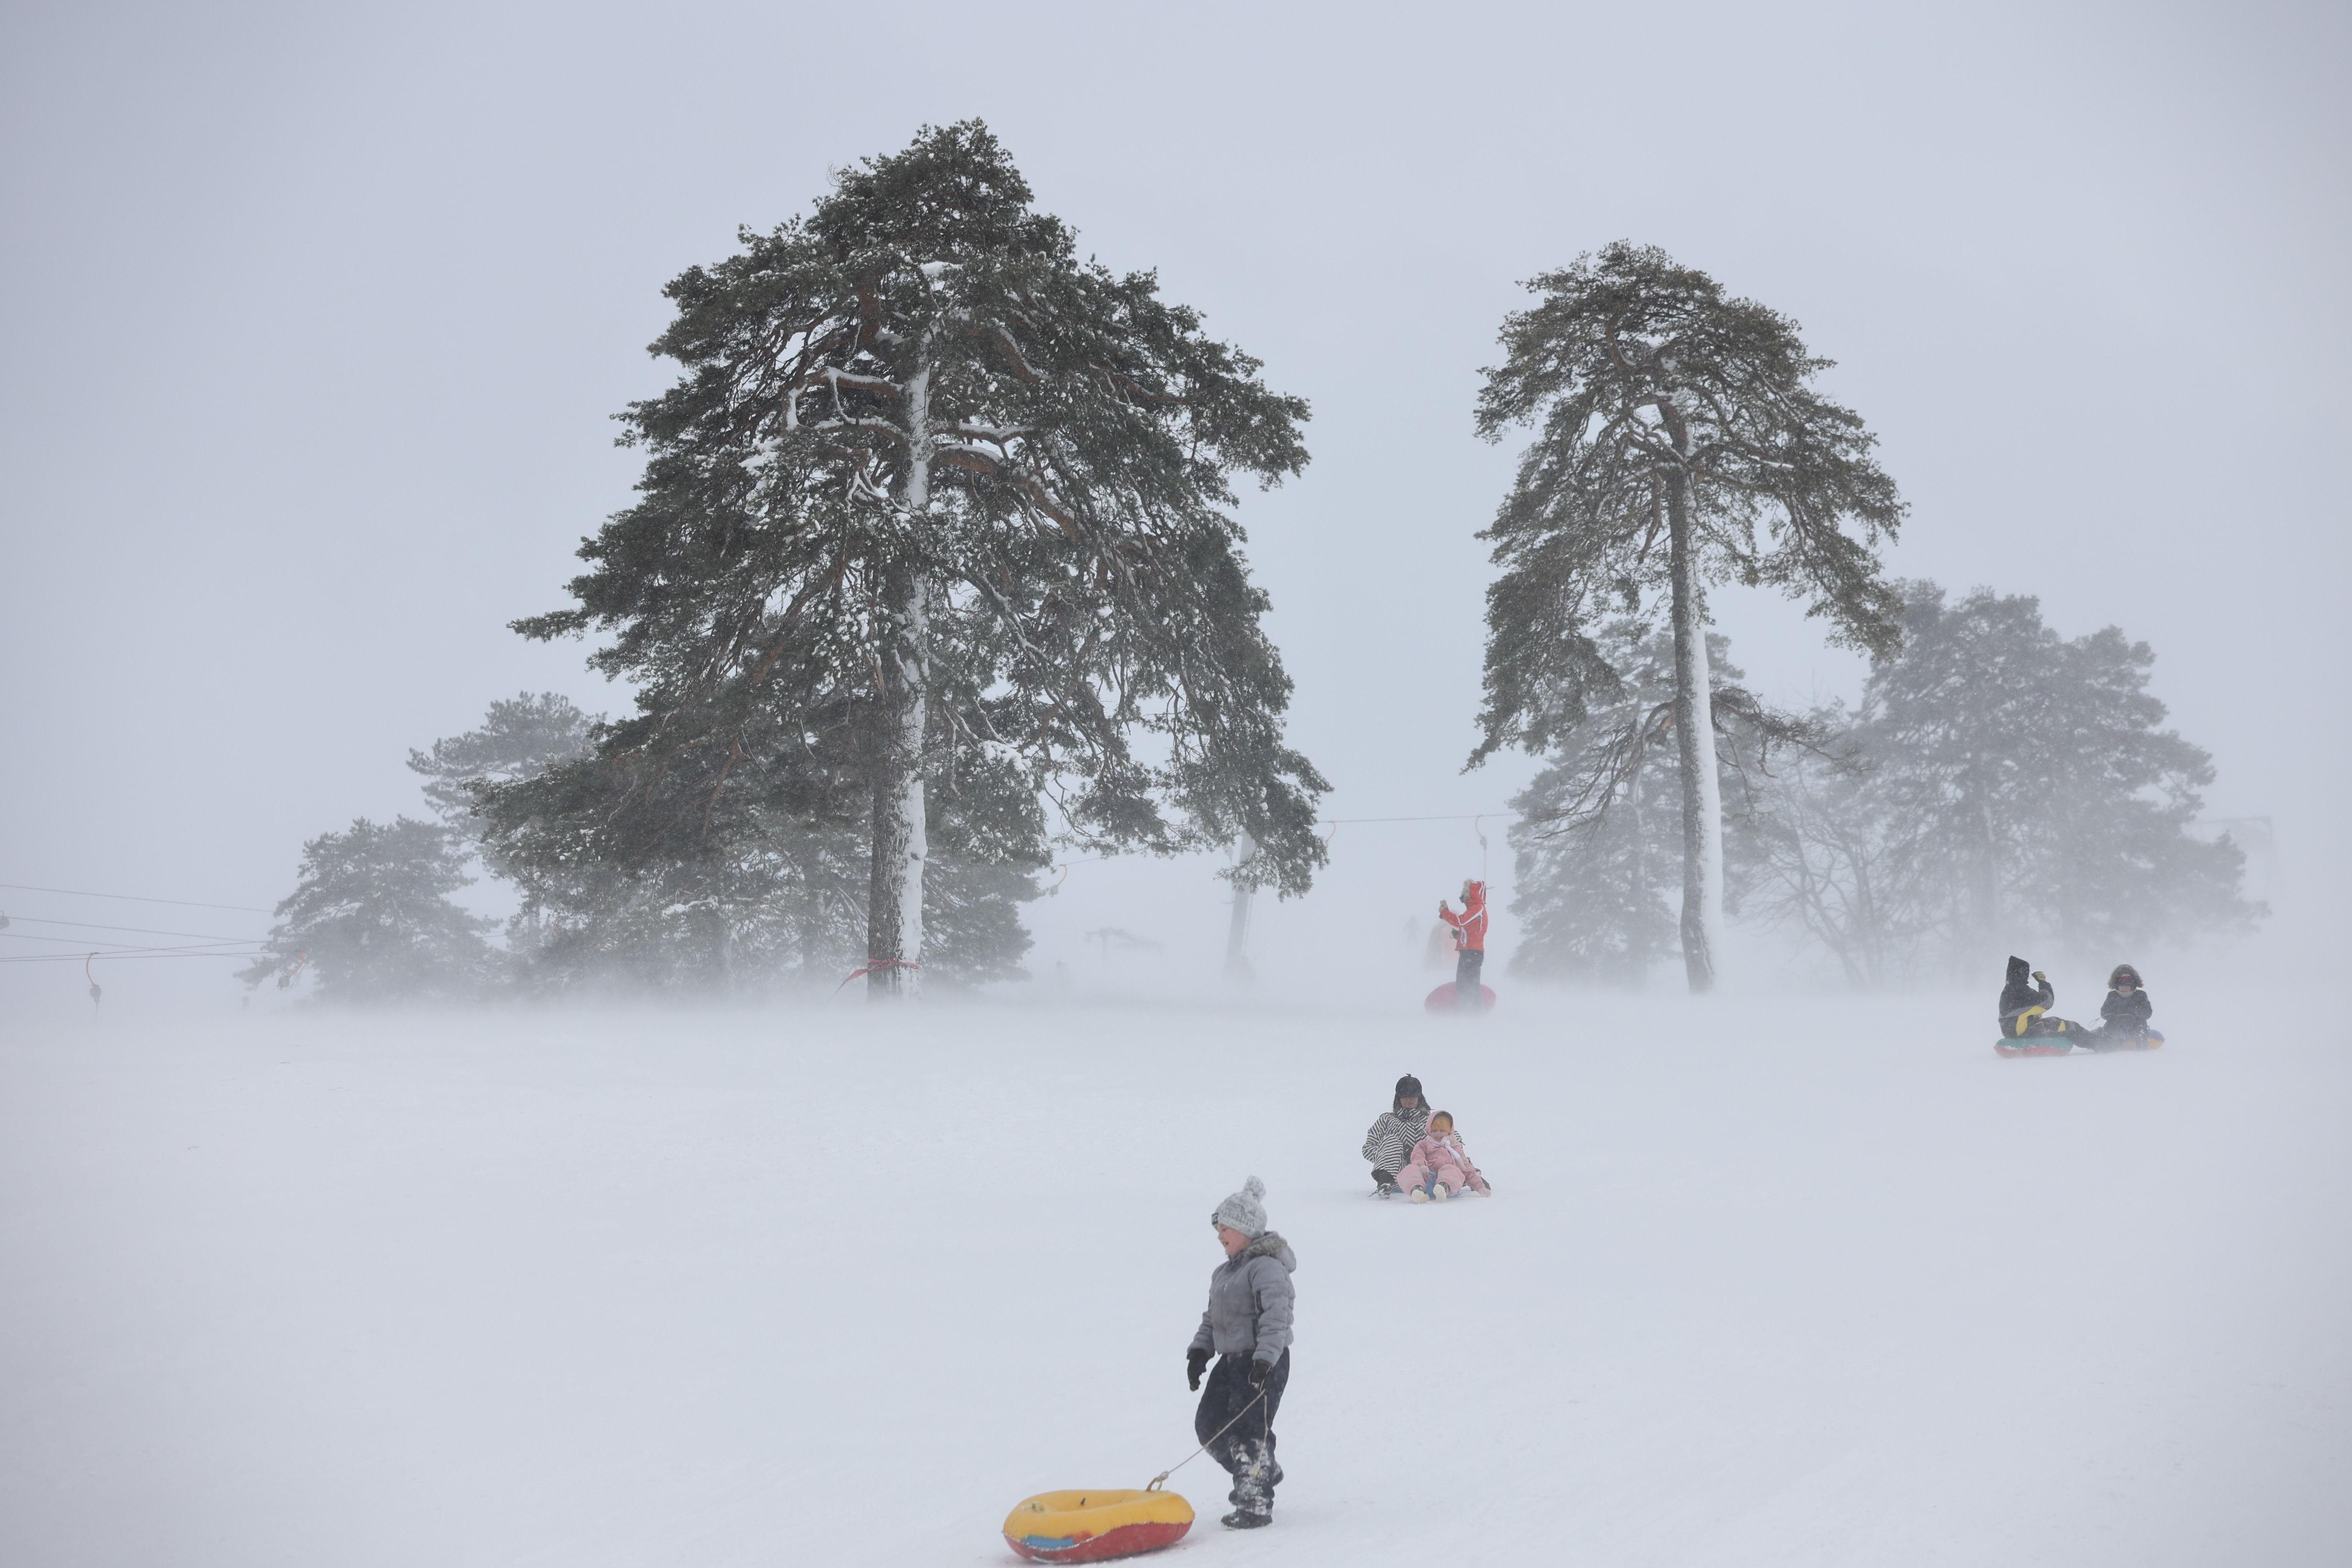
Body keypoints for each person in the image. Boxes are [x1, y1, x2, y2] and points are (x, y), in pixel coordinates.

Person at [1185, 1176, 1295, 1531]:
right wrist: (1200, 1352)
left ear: (1247, 1229)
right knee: (1210, 1426)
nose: (1220, 1236)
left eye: (1226, 1228)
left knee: (1248, 1431)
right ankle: (1263, 1470)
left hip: (1262, 1361)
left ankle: (1254, 1503)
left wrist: (1265, 1360)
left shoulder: (1267, 1268)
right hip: (1230, 1360)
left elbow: (1276, 1318)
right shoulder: (1225, 1272)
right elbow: (1212, 1317)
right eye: (1218, 1229)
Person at [1361, 1075, 1431, 1197]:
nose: (1409, 1101)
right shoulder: (1387, 1120)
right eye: (1405, 1097)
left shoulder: (1432, 1120)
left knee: (1439, 1143)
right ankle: (1384, 1182)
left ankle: (1464, 1177)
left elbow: (1453, 1143)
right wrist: (1391, 1154)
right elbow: (1368, 1148)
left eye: (1412, 1097)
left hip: (1426, 1172)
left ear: (1419, 1098)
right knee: (1391, 1140)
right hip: (1398, 1175)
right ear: (1398, 1099)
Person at [1399, 1111, 1491, 1202]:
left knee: (1453, 1170)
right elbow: (1417, 1156)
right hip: (1426, 1179)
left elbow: (1468, 1170)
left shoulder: (1455, 1149)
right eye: (1434, 1130)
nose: (1438, 1133)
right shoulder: (1424, 1144)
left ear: (1449, 1132)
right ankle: (1417, 1190)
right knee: (1410, 1169)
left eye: (1442, 1130)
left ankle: (1444, 1188)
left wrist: (1480, 1187)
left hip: (1448, 1180)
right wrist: (1422, 1166)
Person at [1998, 955, 2093, 1043]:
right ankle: (2096, 1042)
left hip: (2011, 1031)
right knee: (2070, 1027)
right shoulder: (2021, 991)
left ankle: (2093, 1039)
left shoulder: (2007, 991)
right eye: (2026, 972)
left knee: (2055, 1021)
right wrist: (2043, 982)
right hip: (2026, 1031)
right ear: (2021, 973)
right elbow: (2048, 1001)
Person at [1436, 879, 1488, 1010]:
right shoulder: (1474, 909)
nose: (1463, 898)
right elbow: (1470, 931)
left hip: (1473, 953)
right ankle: (1466, 1011)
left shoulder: (1478, 908)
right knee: (1463, 985)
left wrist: (1444, 914)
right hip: (1468, 953)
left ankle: (1474, 1013)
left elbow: (1460, 922)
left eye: (1466, 893)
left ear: (1472, 894)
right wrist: (1458, 935)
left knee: (1470, 986)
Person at [2089, 963, 2154, 1049]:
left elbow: (2147, 1013)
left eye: (2128, 986)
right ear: (2117, 986)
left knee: (2141, 1026)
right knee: (2110, 1028)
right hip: (2117, 1023)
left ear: (2133, 986)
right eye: (2122, 986)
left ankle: (2140, 1044)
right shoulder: (2112, 996)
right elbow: (2105, 1012)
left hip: (2135, 1023)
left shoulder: (2140, 995)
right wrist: (2114, 1014)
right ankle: (2110, 1044)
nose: (2125, 988)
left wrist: (2136, 1012)